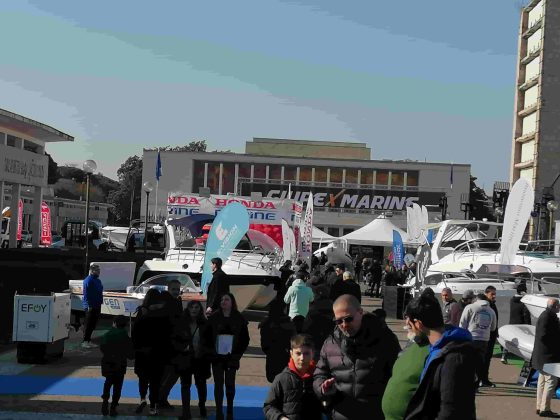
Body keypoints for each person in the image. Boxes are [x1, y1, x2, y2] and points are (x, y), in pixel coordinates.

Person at [313, 294, 400, 420]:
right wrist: (322, 388)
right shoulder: (330, 343)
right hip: (341, 414)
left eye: (348, 319)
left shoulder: (385, 339)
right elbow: (319, 374)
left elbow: (397, 377)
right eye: (338, 321)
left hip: (374, 414)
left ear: (360, 312)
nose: (344, 325)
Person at [403, 293, 477, 419]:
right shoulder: (436, 349)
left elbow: (451, 411)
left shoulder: (454, 357)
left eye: (409, 324)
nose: (408, 327)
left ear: (419, 324)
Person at [382, 292, 433, 420]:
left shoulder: (435, 352)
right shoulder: (413, 343)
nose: (405, 324)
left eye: (408, 321)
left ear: (419, 323)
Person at [202, 293, 250, 420]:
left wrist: (237, 355)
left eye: (227, 299)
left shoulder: (239, 318)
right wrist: (211, 352)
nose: (223, 301)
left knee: (230, 384)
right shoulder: (213, 317)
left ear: (232, 302)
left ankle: (229, 410)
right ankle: (219, 411)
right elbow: (206, 337)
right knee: (218, 384)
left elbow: (245, 340)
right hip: (217, 357)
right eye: (222, 299)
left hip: (232, 357)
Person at [132, 289, 174, 416]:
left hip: (142, 352)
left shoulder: (142, 311)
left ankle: (142, 399)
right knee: (155, 381)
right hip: (158, 352)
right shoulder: (164, 313)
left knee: (143, 378)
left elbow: (135, 333)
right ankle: (153, 406)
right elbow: (168, 333)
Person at [263, 334, 323, 420]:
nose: (302, 358)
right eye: (298, 353)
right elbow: (268, 406)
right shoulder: (282, 378)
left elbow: (328, 406)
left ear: (313, 353)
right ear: (291, 354)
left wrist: (329, 394)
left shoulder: (319, 377)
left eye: (306, 353)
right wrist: (281, 418)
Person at [178, 300, 211, 419]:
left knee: (201, 385)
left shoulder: (205, 324)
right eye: (192, 307)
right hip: (186, 358)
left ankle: (202, 405)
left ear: (200, 310)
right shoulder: (182, 323)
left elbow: (210, 341)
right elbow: (175, 339)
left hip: (200, 360)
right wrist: (182, 347)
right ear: (188, 309)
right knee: (185, 385)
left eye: (197, 307)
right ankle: (186, 412)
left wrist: (204, 351)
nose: (194, 309)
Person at [459, 293, 496, 388]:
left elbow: (462, 323)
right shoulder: (491, 310)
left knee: (468, 362)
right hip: (484, 340)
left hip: (471, 338)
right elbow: (493, 328)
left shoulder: (470, 307)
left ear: (476, 299)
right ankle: (477, 384)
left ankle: (467, 383)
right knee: (480, 362)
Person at [100, 315, 134, 417]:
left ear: (114, 323)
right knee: (117, 386)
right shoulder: (125, 337)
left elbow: (103, 348)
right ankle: (113, 407)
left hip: (108, 363)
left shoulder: (107, 335)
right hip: (120, 364)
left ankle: (105, 399)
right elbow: (130, 354)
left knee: (108, 382)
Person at [158, 279, 185, 410]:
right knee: (167, 374)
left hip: (176, 344)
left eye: (177, 289)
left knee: (172, 374)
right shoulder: (165, 302)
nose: (176, 291)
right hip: (166, 345)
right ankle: (159, 399)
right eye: (173, 289)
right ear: (168, 289)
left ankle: (162, 398)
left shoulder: (177, 301)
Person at [532, 298, 560, 417]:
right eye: (558, 306)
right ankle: (545, 409)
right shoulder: (548, 317)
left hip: (542, 356)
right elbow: (545, 336)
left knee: (542, 381)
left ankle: (540, 406)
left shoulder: (545, 315)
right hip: (549, 356)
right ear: (554, 306)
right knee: (551, 381)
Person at [260, 300, 297, 382]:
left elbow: (264, 342)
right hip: (285, 355)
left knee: (273, 378)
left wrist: (269, 350)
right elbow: (293, 341)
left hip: (272, 355)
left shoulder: (266, 323)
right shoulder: (288, 323)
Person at [302, 285, 334, 360]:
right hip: (331, 343)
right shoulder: (335, 307)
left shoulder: (312, 309)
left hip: (315, 343)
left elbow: (305, 328)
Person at [502, 283, 531, 364]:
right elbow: (526, 315)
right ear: (523, 292)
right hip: (521, 325)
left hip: (512, 322)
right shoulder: (524, 302)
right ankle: (526, 359)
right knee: (523, 340)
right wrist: (529, 326)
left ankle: (504, 356)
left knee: (509, 339)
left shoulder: (512, 300)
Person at [82, 263, 104, 349]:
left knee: (93, 324)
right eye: (97, 270)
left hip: (97, 305)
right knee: (88, 324)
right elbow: (86, 294)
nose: (99, 272)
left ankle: (88, 340)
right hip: (90, 306)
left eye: (99, 270)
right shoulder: (88, 280)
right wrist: (89, 305)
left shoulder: (98, 280)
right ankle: (85, 341)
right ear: (92, 271)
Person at [482, 285, 499, 387]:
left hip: (491, 335)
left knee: (487, 358)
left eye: (495, 294)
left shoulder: (492, 304)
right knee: (484, 358)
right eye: (492, 294)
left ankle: (484, 379)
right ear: (486, 294)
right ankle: (482, 379)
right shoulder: (486, 305)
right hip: (486, 336)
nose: (494, 296)